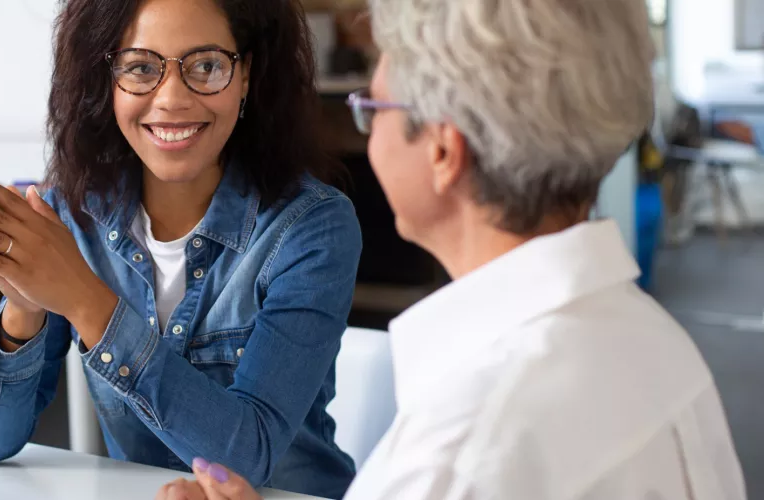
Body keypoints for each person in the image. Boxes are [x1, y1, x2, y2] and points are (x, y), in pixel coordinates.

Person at [158, 0, 748, 498]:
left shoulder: (461, 453)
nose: (367, 123)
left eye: (374, 105)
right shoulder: (661, 345)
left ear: (444, 152)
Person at [0, 0, 361, 498]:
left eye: (206, 66)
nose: (171, 99)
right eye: (141, 68)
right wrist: (23, 302)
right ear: (107, 78)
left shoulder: (312, 226)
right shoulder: (76, 214)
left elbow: (247, 457)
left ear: (246, 74)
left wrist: (85, 300)